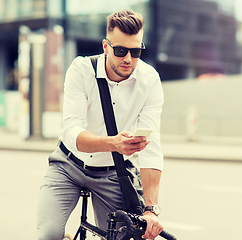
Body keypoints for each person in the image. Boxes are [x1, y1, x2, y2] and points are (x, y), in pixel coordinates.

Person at [36, 9, 164, 240]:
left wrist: (150, 210)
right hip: (68, 165)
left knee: (122, 237)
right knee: (48, 235)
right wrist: (113, 143)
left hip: (113, 173)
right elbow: (71, 131)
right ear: (106, 47)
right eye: (120, 50)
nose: (128, 58)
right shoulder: (81, 69)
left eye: (135, 52)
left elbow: (151, 146)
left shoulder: (150, 80)